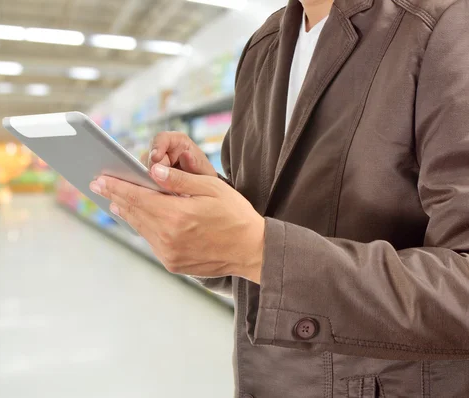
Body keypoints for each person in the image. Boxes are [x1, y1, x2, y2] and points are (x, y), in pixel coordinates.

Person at [89, 0, 469, 395]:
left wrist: (261, 251)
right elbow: (260, 242)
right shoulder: (264, 46)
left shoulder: (441, 22)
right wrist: (204, 212)